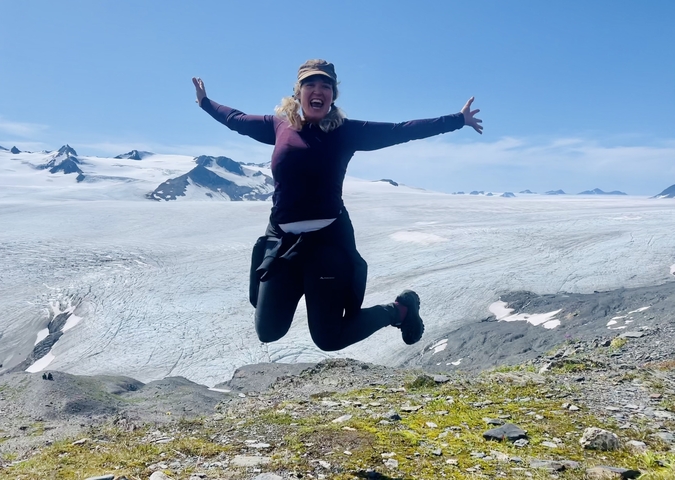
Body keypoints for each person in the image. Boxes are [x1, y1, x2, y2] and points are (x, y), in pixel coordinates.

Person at [192, 59, 482, 352]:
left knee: (329, 339)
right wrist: (205, 103)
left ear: (333, 96)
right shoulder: (278, 126)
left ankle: (400, 310)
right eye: (311, 84)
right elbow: (235, 119)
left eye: (325, 86)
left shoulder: (346, 131)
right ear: (298, 92)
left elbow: (400, 130)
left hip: (326, 242)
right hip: (282, 241)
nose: (318, 90)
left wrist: (457, 119)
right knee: (268, 331)